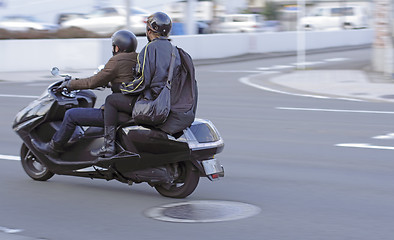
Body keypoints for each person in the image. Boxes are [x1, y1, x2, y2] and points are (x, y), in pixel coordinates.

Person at [91, 12, 198, 158]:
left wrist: (124, 88)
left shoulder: (150, 48)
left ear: (150, 31)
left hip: (154, 103)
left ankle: (108, 146)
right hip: (171, 104)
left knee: (111, 101)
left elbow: (143, 82)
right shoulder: (176, 51)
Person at [32, 30, 138, 157]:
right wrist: (111, 84)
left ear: (117, 47)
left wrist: (70, 84)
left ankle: (53, 147)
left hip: (118, 112)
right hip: (130, 109)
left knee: (71, 115)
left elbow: (93, 82)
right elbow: (126, 81)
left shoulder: (117, 61)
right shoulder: (137, 59)